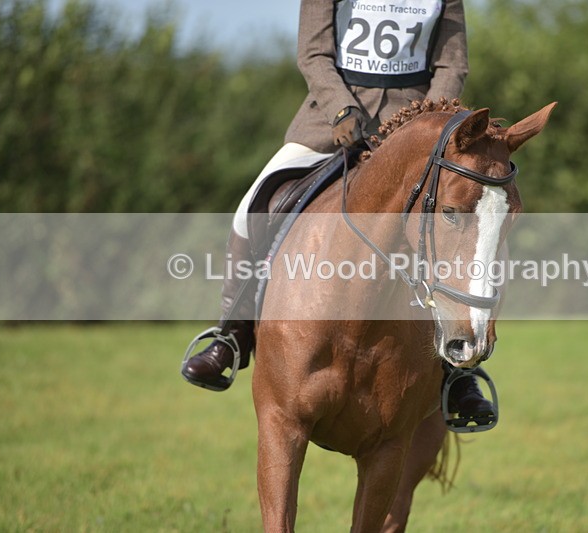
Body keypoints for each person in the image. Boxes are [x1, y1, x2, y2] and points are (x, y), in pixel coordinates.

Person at [182, 0, 493, 418]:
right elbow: (313, 53)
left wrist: (424, 126)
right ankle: (232, 334)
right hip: (332, 121)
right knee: (251, 206)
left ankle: (455, 372)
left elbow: (452, 66)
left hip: (413, 135)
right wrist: (340, 108)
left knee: (464, 225)